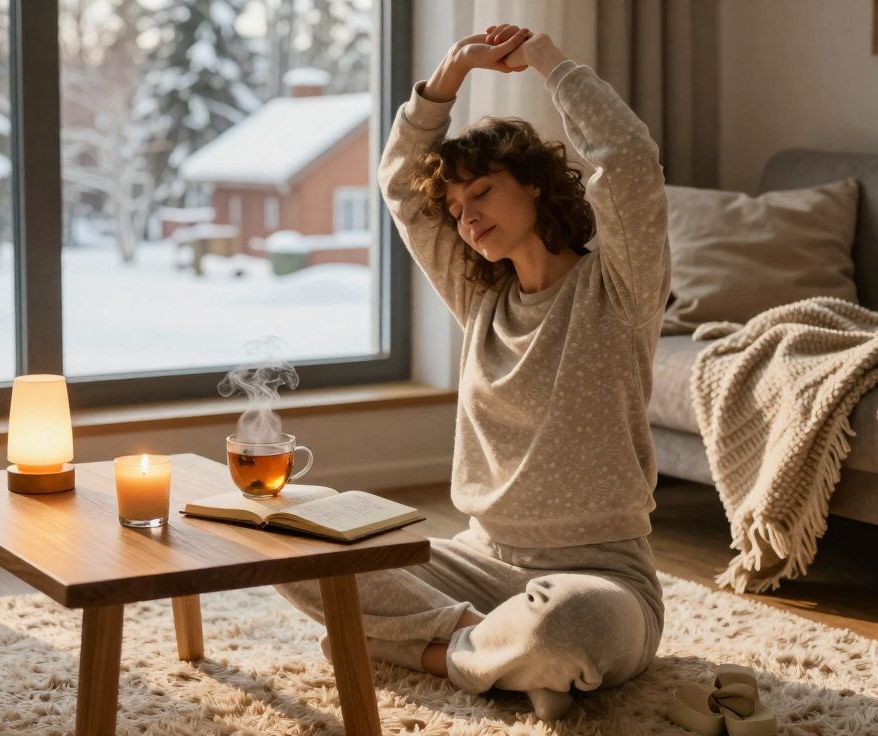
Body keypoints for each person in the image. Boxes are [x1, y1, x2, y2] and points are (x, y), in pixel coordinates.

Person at [273, 25, 671, 723]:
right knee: (289, 540)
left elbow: (630, 161)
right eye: (455, 210)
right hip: (477, 562)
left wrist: (550, 63)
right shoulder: (480, 298)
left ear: (538, 187)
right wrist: (446, 81)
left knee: (568, 629)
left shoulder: (618, 290)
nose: (467, 219)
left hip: (599, 578)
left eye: (481, 192)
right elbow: (400, 182)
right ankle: (500, 658)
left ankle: (449, 652)